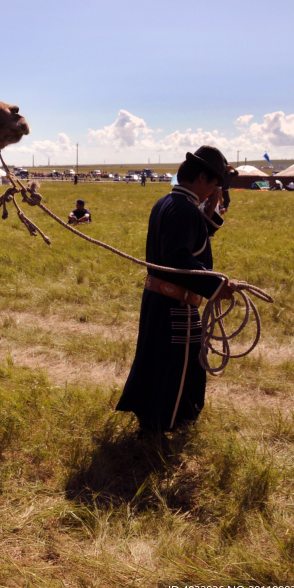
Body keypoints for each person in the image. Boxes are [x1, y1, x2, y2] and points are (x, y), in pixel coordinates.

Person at [116, 145, 233, 435]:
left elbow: (191, 239)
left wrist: (207, 213)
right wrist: (216, 285)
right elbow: (177, 257)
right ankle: (161, 427)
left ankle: (151, 420)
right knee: (176, 367)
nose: (216, 190)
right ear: (203, 178)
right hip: (175, 305)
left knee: (157, 360)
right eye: (215, 183)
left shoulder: (169, 203)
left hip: (159, 299)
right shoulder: (184, 210)